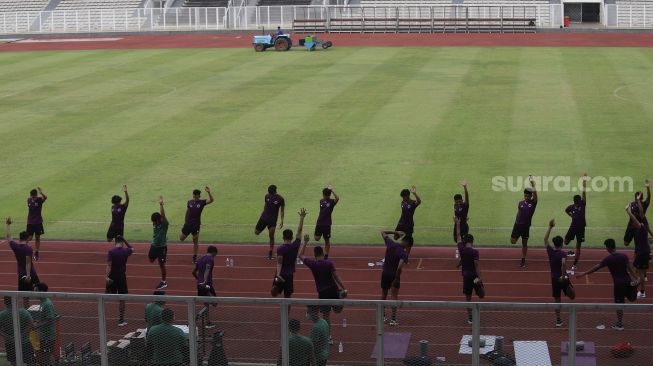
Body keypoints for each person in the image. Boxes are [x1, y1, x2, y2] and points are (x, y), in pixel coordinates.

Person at [577, 239, 639, 330]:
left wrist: (584, 273)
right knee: (631, 298)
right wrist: (636, 278)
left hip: (618, 285)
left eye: (606, 247)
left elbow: (596, 267)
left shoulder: (608, 259)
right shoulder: (624, 256)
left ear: (608, 248)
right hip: (628, 281)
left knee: (619, 304)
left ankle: (619, 324)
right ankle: (634, 289)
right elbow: (630, 268)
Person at [298, 234, 347, 340]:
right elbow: (336, 276)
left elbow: (300, 255)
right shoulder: (329, 263)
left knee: (326, 316)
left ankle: (329, 337)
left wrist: (305, 242)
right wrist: (344, 288)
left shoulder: (313, 264)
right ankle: (341, 297)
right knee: (338, 310)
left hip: (322, 292)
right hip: (333, 290)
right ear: (323, 253)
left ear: (315, 254)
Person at [544, 219, 575, 327]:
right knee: (572, 296)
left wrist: (550, 227)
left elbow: (545, 239)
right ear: (562, 243)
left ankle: (558, 319)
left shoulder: (550, 252)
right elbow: (563, 264)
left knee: (557, 299)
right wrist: (563, 276)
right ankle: (568, 288)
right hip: (563, 277)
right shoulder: (563, 254)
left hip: (554, 278)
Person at [454, 218, 484, 325]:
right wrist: (479, 277)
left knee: (468, 298)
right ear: (472, 241)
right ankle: (475, 313)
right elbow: (476, 264)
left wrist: (457, 224)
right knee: (481, 295)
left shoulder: (461, 249)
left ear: (464, 241)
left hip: (466, 276)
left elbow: (458, 236)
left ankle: (470, 318)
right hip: (474, 276)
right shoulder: (475, 252)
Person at [271, 209, 306, 298]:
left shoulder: (280, 248)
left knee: (274, 292)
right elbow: (299, 230)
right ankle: (286, 312)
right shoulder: (296, 245)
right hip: (289, 275)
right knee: (288, 296)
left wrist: (278, 275)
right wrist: (302, 218)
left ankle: (276, 286)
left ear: (283, 237)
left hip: (280, 274)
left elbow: (279, 262)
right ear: (291, 237)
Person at [379, 230, 408, 326]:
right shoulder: (403, 253)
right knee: (394, 297)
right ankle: (393, 319)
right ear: (406, 243)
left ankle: (382, 316)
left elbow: (382, 232)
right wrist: (396, 277)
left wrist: (394, 232)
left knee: (384, 294)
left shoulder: (390, 244)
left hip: (385, 274)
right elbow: (399, 267)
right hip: (394, 276)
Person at [5, 218, 40, 298]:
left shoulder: (15, 246)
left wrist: (7, 225)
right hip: (31, 273)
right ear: (27, 238)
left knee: (25, 296)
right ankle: (45, 308)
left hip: (21, 274)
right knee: (40, 292)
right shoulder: (28, 249)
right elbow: (28, 263)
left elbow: (8, 237)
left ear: (20, 238)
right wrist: (28, 275)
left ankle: (26, 310)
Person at [180, 187, 214, 264]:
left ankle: (194, 257)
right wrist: (185, 221)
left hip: (196, 225)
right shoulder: (189, 202)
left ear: (199, 196)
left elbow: (211, 200)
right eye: (193, 196)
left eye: (196, 196)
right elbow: (187, 211)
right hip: (188, 224)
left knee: (195, 240)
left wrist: (209, 192)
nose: (194, 198)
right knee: (181, 238)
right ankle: (187, 232)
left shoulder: (202, 202)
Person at [106, 235, 134, 327]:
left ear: (115, 242)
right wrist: (125, 240)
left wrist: (106, 277)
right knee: (122, 299)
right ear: (122, 242)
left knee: (106, 296)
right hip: (121, 276)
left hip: (112, 276)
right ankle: (121, 320)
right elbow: (132, 248)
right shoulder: (126, 251)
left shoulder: (111, 252)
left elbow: (109, 265)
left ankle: (102, 315)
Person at [0, 296, 36, 366]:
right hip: (24, 342)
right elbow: (32, 326)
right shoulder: (24, 312)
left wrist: (8, 337)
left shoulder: (2, 315)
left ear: (5, 302)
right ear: (16, 301)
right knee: (30, 362)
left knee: (13, 362)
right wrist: (21, 335)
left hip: (10, 343)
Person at [510, 176, 537, 268]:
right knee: (513, 241)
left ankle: (523, 259)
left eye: (528, 196)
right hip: (517, 225)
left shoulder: (533, 203)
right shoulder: (520, 203)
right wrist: (516, 221)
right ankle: (517, 236)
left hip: (526, 227)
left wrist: (533, 184)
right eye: (525, 195)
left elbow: (535, 194)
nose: (526, 197)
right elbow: (518, 212)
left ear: (531, 196)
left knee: (524, 243)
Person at [626, 203, 650, 298]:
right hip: (644, 253)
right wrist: (639, 202)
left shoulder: (641, 228)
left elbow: (635, 219)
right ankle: (638, 285)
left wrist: (627, 211)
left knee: (639, 273)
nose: (633, 224)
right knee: (639, 272)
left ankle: (642, 291)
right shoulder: (643, 226)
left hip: (641, 254)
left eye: (634, 223)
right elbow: (641, 213)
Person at [255, 185, 285, 260]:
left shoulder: (280, 199)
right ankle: (264, 227)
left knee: (271, 235)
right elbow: (265, 205)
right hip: (264, 218)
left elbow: (282, 210)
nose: (270, 194)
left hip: (272, 220)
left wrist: (282, 220)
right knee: (256, 232)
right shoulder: (267, 196)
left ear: (274, 192)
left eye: (271, 193)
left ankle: (270, 252)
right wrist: (263, 213)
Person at [564, 174, 587, 270]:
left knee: (578, 245)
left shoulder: (583, 204)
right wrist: (571, 216)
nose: (577, 203)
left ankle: (575, 263)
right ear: (574, 201)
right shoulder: (571, 207)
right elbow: (566, 210)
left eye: (578, 202)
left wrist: (584, 182)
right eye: (576, 202)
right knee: (566, 242)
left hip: (581, 228)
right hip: (573, 227)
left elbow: (584, 193)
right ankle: (572, 253)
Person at [193, 245, 218, 328]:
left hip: (199, 285)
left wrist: (199, 280)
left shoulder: (200, 259)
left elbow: (193, 272)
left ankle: (207, 322)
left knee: (206, 303)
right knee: (214, 303)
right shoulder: (210, 259)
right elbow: (207, 269)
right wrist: (204, 281)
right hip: (207, 285)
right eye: (215, 254)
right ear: (214, 252)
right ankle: (199, 315)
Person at [34, 283, 57, 366]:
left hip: (48, 335)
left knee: (49, 354)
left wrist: (38, 325)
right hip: (44, 334)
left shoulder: (47, 304)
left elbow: (50, 320)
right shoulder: (42, 302)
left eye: (36, 291)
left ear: (41, 291)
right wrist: (37, 321)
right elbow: (44, 317)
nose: (34, 293)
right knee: (46, 354)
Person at [395, 186, 421, 260]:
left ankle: (405, 256)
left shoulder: (412, 203)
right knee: (395, 237)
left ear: (408, 196)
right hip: (401, 223)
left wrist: (415, 193)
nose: (403, 198)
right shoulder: (402, 202)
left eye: (404, 197)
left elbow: (419, 201)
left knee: (408, 241)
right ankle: (402, 247)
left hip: (409, 225)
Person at [149, 196, 169, 290]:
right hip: (154, 245)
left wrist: (161, 204)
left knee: (161, 264)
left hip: (162, 247)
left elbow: (163, 215)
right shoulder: (154, 222)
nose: (154, 223)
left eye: (155, 222)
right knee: (151, 259)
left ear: (159, 220)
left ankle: (164, 282)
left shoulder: (164, 223)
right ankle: (159, 257)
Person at [314, 185, 340, 259]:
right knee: (316, 238)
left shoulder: (332, 202)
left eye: (324, 195)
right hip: (319, 223)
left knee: (327, 240)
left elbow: (337, 198)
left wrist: (331, 190)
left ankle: (326, 255)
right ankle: (323, 251)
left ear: (327, 195)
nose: (323, 196)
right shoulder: (321, 201)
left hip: (327, 224)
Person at [624, 180, 652, 246]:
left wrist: (648, 188)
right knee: (626, 243)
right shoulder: (632, 204)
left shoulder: (645, 204)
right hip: (631, 225)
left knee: (640, 245)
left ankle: (647, 241)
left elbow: (649, 197)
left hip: (639, 226)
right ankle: (648, 240)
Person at [26, 187, 47, 261]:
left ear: (36, 195)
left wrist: (41, 192)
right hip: (30, 222)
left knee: (37, 238)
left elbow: (45, 197)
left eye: (34, 196)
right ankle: (23, 248)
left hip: (38, 222)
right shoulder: (28, 200)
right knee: (29, 237)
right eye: (32, 196)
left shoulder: (39, 200)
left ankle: (36, 252)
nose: (33, 198)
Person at [453, 179, 470, 244]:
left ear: (462, 200)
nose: (458, 203)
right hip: (456, 226)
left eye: (460, 201)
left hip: (463, 227)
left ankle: (463, 252)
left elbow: (467, 198)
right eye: (457, 202)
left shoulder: (465, 206)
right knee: (456, 240)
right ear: (454, 201)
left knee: (463, 242)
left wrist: (465, 187)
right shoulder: (455, 206)